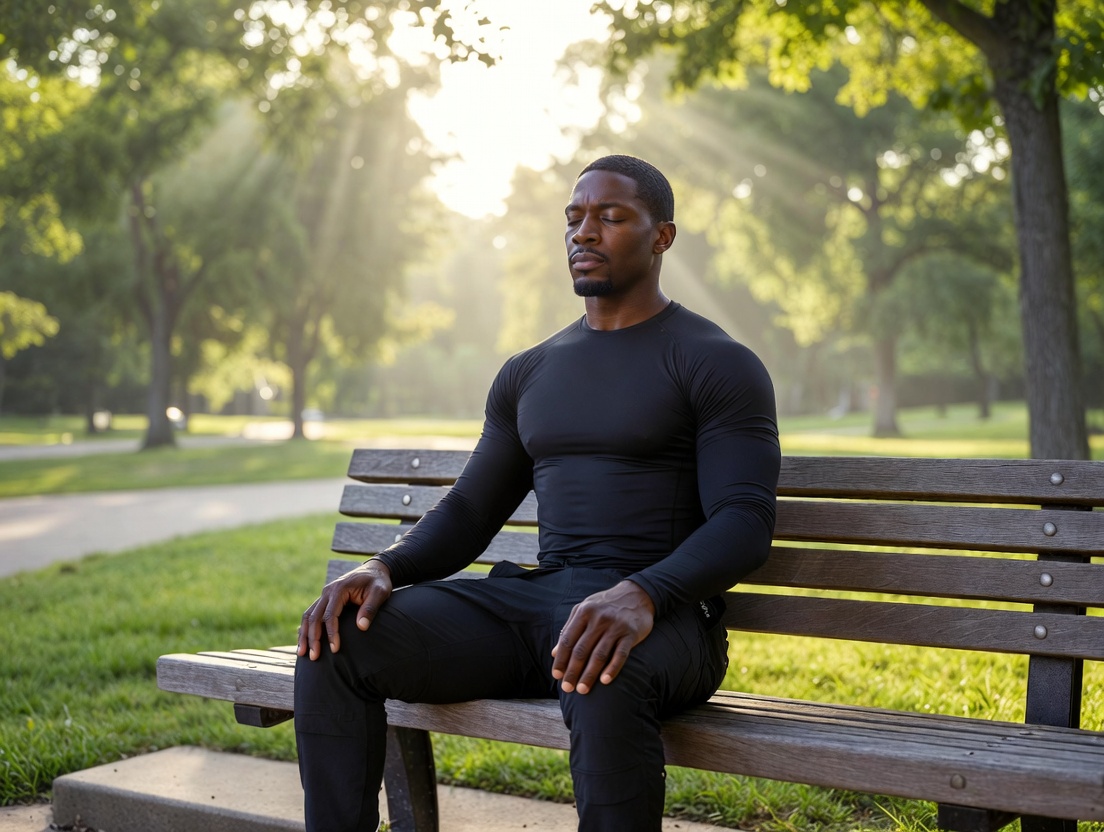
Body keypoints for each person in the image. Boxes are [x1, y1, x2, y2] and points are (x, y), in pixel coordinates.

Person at [295, 154, 780, 832]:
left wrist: (642, 593)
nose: (585, 232)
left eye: (610, 217)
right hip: (541, 606)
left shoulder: (714, 361)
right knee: (338, 640)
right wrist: (384, 567)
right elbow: (469, 511)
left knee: (604, 663)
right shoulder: (530, 371)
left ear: (661, 237)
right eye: (574, 219)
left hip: (663, 620)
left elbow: (745, 520)